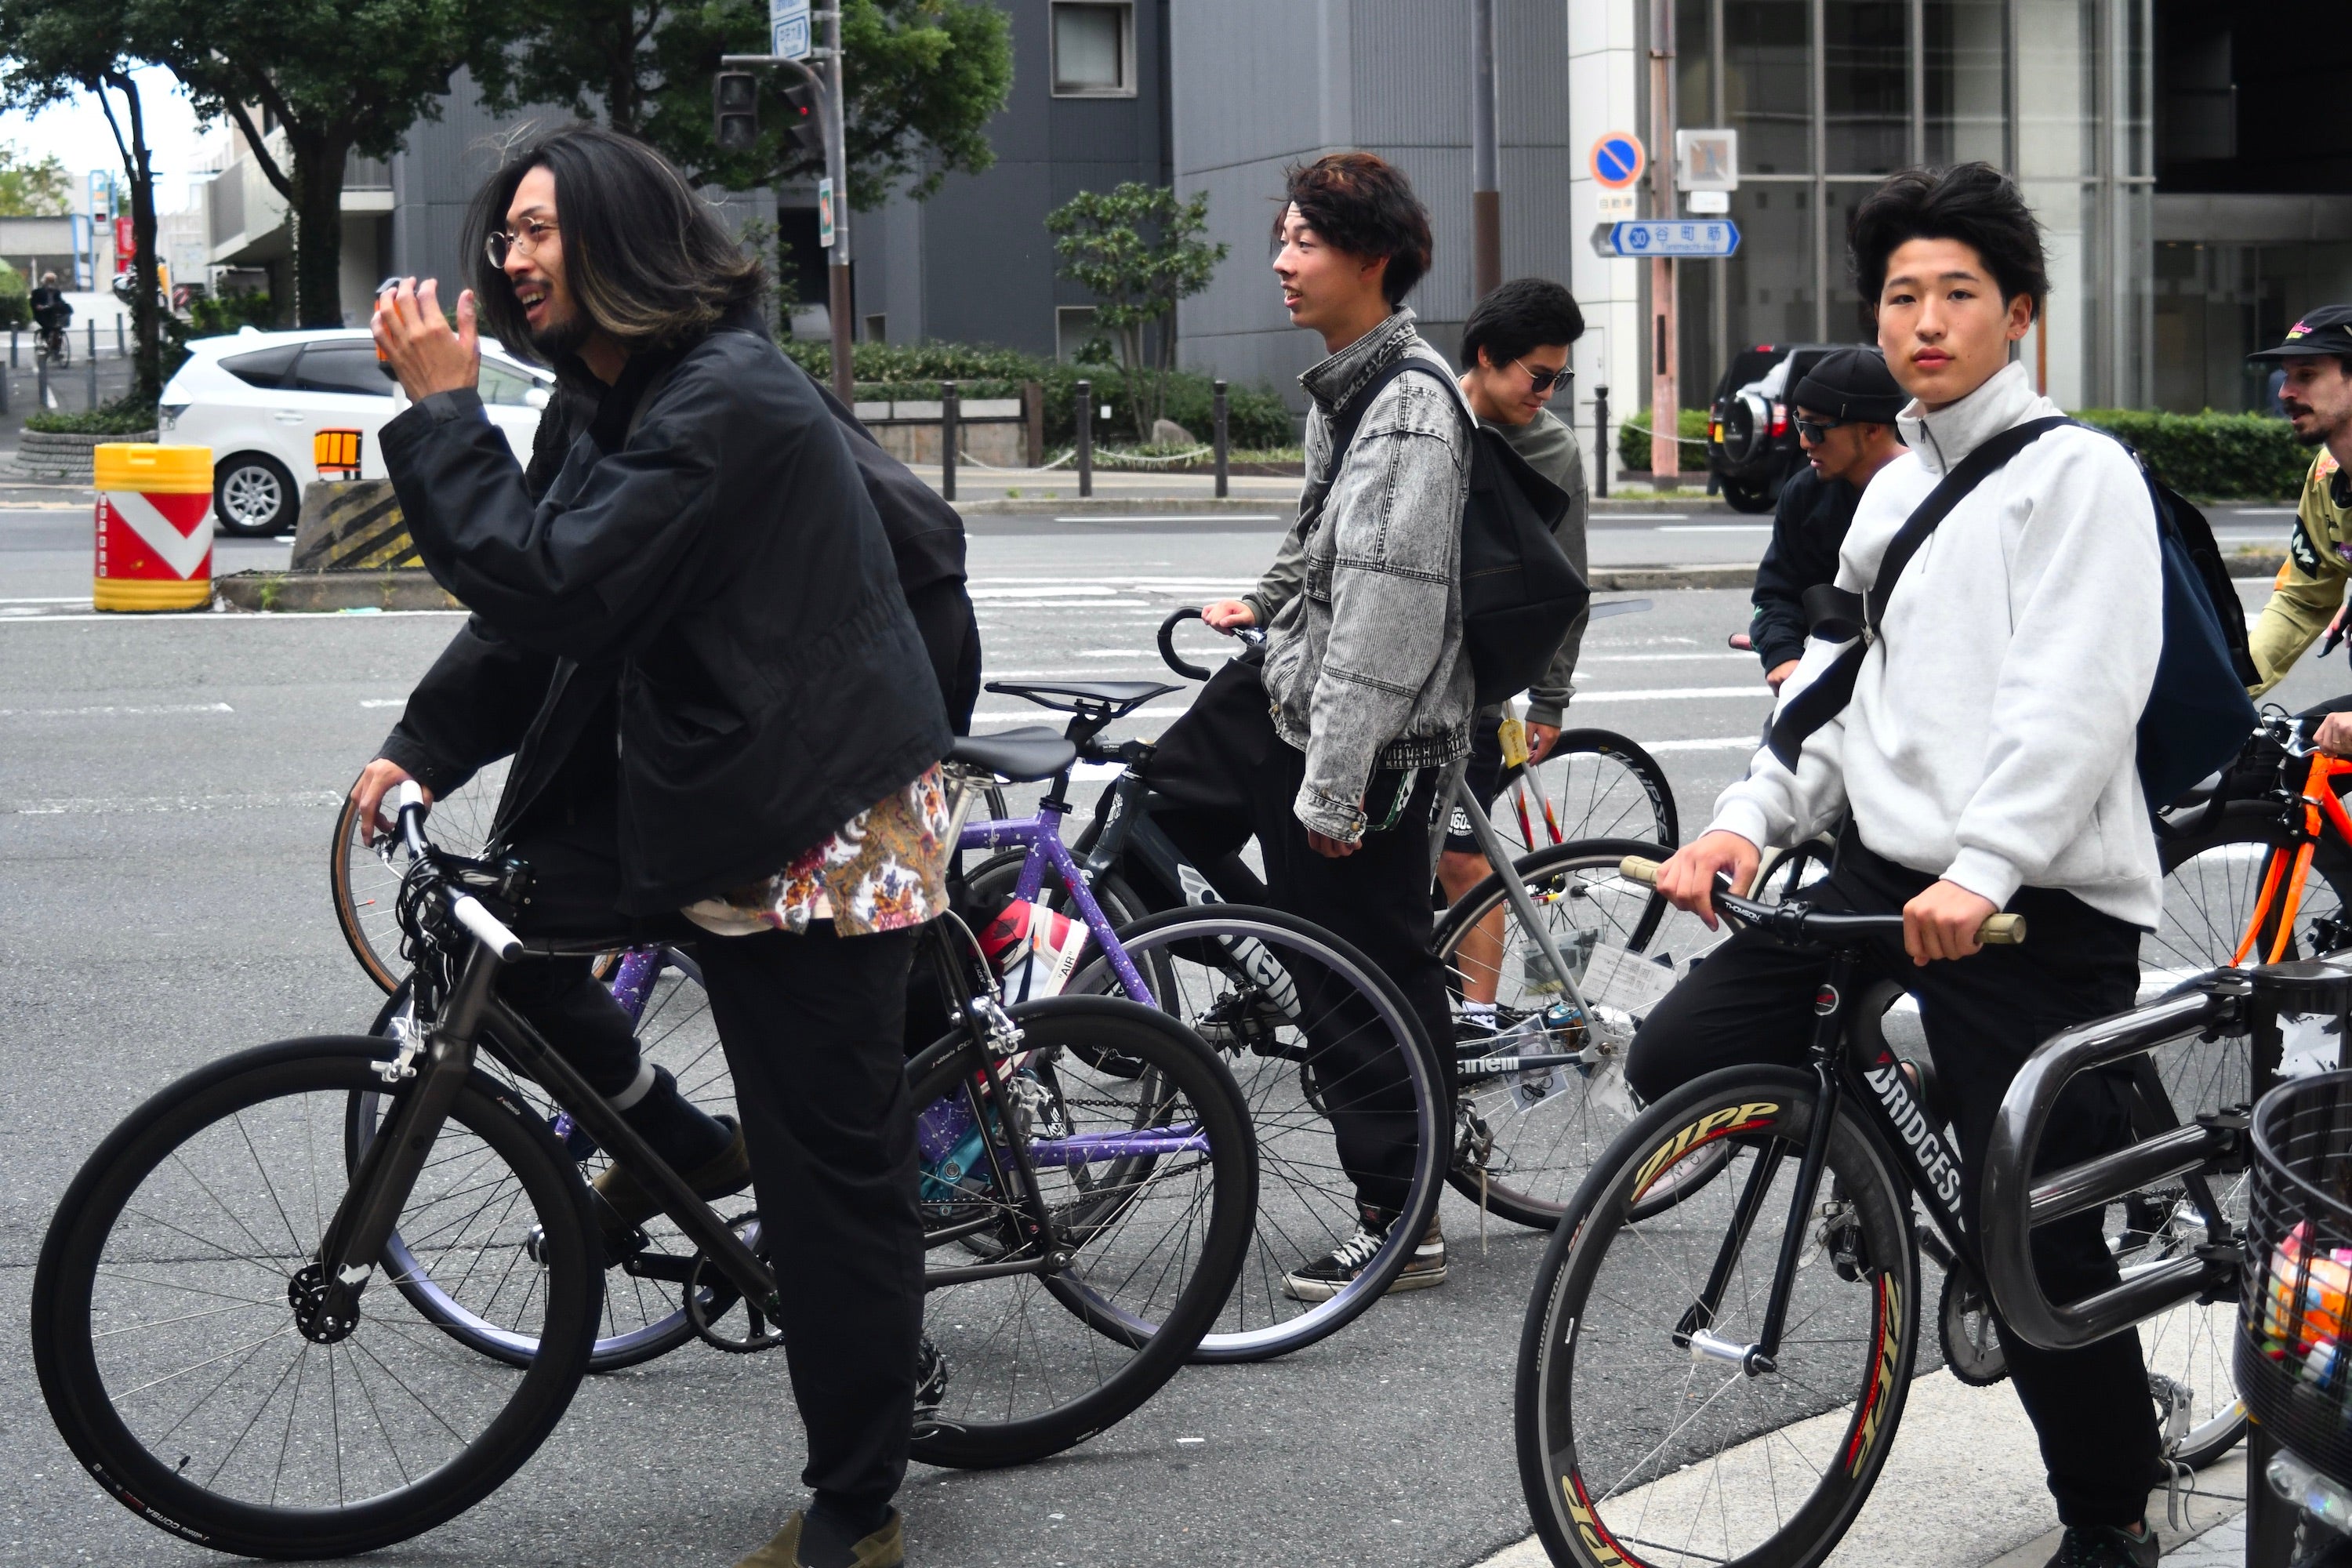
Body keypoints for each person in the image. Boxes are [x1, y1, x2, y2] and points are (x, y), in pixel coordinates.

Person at [354, 125, 944, 1568]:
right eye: (505, 233)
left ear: (622, 241)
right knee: (493, 930)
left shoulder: (723, 397)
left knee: (832, 1185)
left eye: (542, 228)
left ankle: (860, 1513)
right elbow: (533, 614)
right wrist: (423, 747)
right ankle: (681, 1139)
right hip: (709, 786)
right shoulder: (602, 398)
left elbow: (554, 583)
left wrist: (441, 418)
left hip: (817, 820)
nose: (511, 256)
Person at [1639, 162, 2167, 1568]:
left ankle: (2111, 1512)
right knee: (1682, 1047)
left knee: (2033, 1241)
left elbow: (2074, 697)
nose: (1924, 321)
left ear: (2021, 318)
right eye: (1900, 297)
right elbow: (1831, 696)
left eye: (1957, 295)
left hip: (2027, 908)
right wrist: (1743, 822)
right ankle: (1897, 1166)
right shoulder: (1893, 490)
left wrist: (1986, 868)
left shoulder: (2078, 477)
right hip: (1882, 874)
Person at [1152, 151, 1471, 1301]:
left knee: (1362, 977)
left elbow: (1388, 620)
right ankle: (1260, 958)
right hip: (1291, 686)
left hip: (1368, 734)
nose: (1282, 262)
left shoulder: (1410, 414)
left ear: (1372, 261)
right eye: (1282, 238)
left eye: (1306, 242)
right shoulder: (1354, 384)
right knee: (1145, 812)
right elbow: (1322, 537)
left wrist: (1335, 791)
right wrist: (1268, 598)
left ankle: (1401, 1218)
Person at [1201, 275, 1590, 1036]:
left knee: (1459, 862)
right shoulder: (1415, 408)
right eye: (1539, 376)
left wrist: (1550, 701)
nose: (1547, 393)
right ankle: (1315, 988)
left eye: (1559, 379)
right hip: (1366, 681)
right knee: (1329, 852)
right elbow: (1321, 527)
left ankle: (1471, 1020)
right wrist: (1262, 600)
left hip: (1467, 690)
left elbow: (1563, 585)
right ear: (1488, 356)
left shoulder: (1551, 448)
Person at [1746, 347, 1907, 691]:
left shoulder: (1934, 490)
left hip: (1916, 687)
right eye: (1799, 423)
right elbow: (1777, 595)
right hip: (1830, 686)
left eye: (1817, 428)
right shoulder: (1804, 494)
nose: (1804, 441)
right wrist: (1783, 656)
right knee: (1778, 745)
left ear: (1871, 429)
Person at [2238, 308, 2352, 757]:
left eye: (2306, 374)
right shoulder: (2326, 473)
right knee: (2266, 769)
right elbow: (2303, 599)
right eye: (2286, 376)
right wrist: (2223, 689)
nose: (2286, 392)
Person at [29, 270, 67, 344]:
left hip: (53, 313)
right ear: (44, 281)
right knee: (47, 326)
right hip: (42, 314)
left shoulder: (57, 292)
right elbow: (33, 302)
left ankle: (57, 345)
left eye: (52, 281)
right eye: (48, 281)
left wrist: (61, 306)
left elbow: (60, 301)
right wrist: (38, 306)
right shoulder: (37, 292)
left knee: (58, 326)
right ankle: (44, 341)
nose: (50, 283)